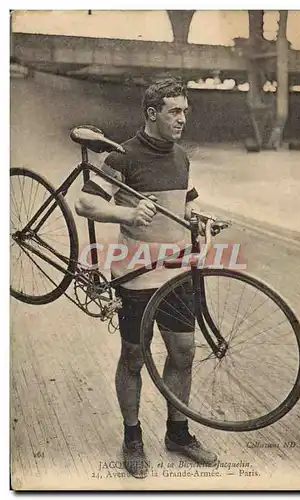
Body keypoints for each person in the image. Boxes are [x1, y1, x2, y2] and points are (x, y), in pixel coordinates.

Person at [75, 78, 218, 479]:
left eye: (185, 111)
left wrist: (199, 221)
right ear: (152, 113)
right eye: (175, 111)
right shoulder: (124, 157)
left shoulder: (181, 157)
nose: (182, 119)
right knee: (135, 358)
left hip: (175, 274)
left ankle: (178, 432)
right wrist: (126, 213)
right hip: (136, 275)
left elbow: (185, 204)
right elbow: (86, 201)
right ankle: (132, 436)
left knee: (184, 353)